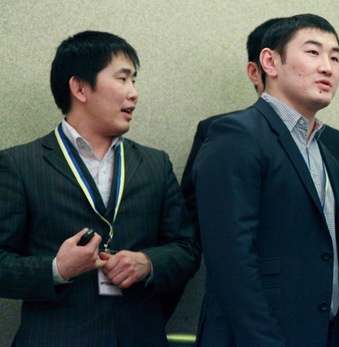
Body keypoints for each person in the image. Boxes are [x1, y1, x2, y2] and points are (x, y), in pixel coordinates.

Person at [0, 31, 200, 346]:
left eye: (134, 81)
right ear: (80, 88)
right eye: (122, 79)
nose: (133, 93)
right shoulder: (19, 164)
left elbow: (187, 249)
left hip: (140, 336)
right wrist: (57, 269)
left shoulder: (155, 163)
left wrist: (148, 263)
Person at [193, 14, 339, 346]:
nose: (327, 67)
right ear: (269, 62)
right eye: (313, 52)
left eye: (335, 57)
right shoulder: (237, 134)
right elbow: (232, 262)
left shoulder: (327, 153)